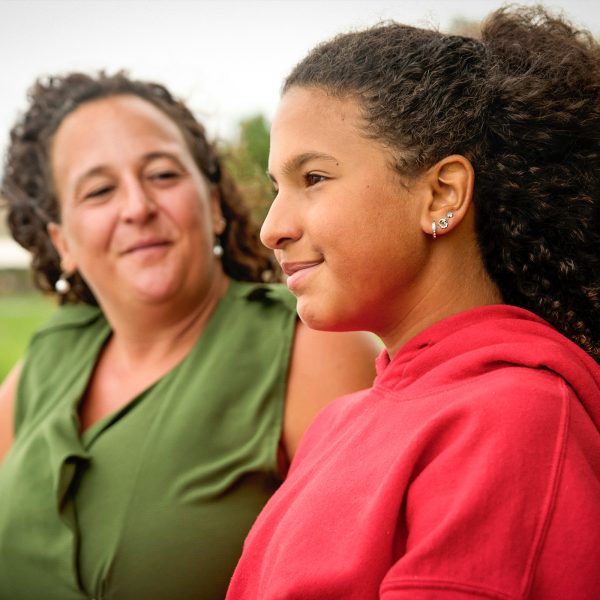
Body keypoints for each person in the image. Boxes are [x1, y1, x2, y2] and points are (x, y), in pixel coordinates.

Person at [227, 6, 600, 599]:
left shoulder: (514, 421)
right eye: (277, 189)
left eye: (314, 179)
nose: (272, 228)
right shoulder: (338, 422)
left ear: (441, 194)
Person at [0, 71, 379, 599]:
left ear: (214, 204)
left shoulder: (310, 347)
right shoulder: (46, 360)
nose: (137, 207)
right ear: (62, 241)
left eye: (161, 175)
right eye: (100, 190)